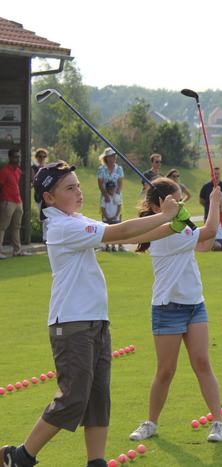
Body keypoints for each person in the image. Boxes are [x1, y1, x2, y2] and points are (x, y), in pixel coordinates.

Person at [0, 161, 182, 467]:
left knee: (98, 399)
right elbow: (118, 231)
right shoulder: (62, 227)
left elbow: (125, 237)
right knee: (73, 398)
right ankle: (20, 457)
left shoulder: (75, 220)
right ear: (49, 198)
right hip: (71, 325)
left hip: (96, 322)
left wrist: (173, 225)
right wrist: (164, 215)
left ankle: (95, 462)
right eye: (70, 188)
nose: (78, 191)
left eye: (78, 185)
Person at [127, 179, 222, 443]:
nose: (179, 205)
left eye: (180, 201)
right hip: (167, 308)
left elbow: (203, 244)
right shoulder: (163, 232)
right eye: (174, 201)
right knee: (166, 370)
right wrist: (214, 204)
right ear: (156, 205)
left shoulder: (179, 228)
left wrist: (215, 212)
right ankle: (150, 422)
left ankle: (217, 422)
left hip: (195, 304)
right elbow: (209, 231)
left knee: (202, 362)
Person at [0, 149, 27, 258]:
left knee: (16, 227)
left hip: (18, 202)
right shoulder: (4, 171)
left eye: (19, 157)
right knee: (2, 227)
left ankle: (17, 250)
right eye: (16, 157)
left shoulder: (18, 171)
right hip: (7, 201)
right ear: (10, 158)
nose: (18, 159)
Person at [100, 181, 122, 252]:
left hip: (115, 218)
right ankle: (107, 246)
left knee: (115, 234)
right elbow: (103, 209)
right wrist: (107, 217)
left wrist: (116, 216)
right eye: (109, 189)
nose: (111, 190)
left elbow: (119, 207)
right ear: (106, 189)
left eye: (112, 189)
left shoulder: (117, 196)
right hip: (107, 219)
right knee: (107, 233)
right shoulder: (104, 198)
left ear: (115, 188)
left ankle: (113, 246)